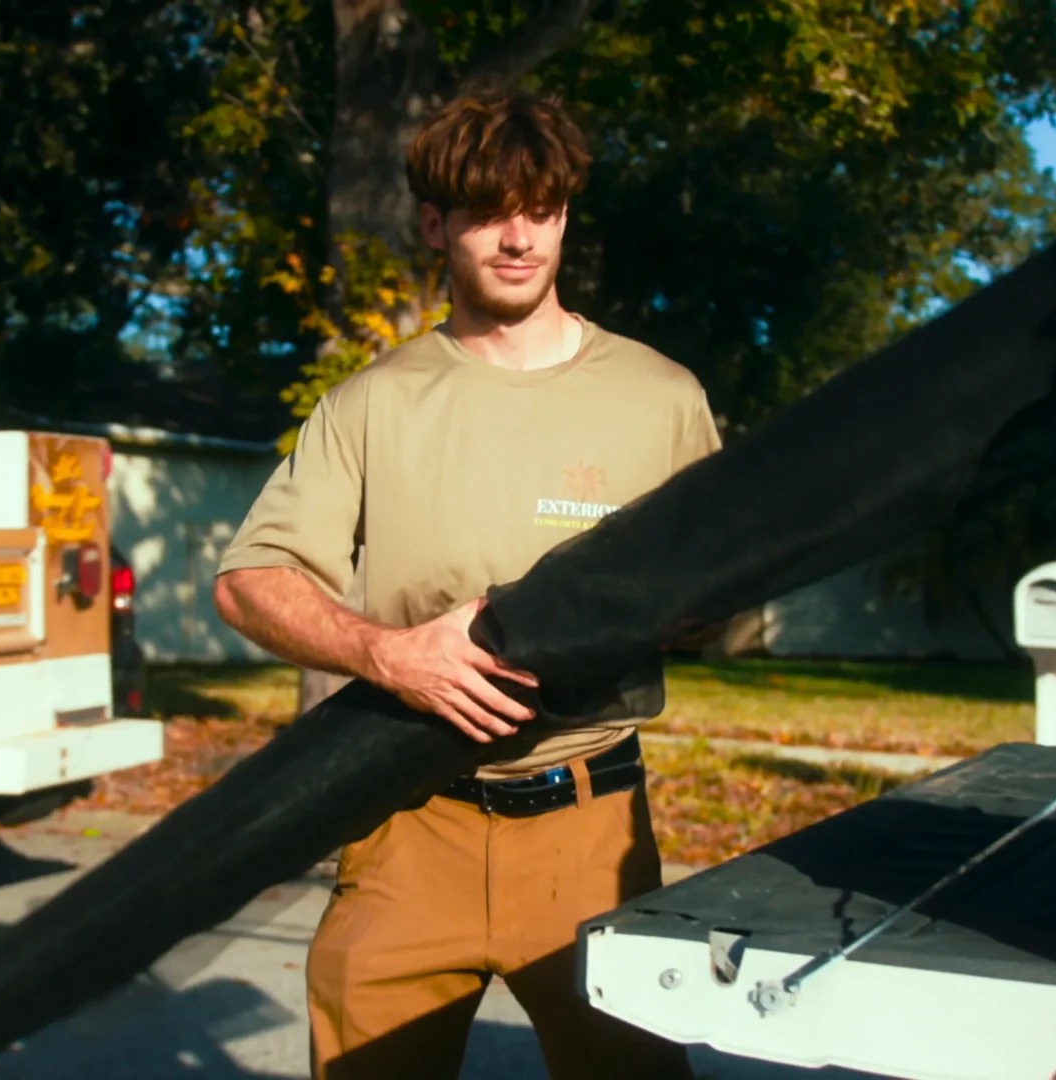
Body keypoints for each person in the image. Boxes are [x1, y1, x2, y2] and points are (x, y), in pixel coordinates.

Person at [212, 88, 720, 1080]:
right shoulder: (371, 404)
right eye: (489, 212)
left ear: (567, 215)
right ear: (436, 225)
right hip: (406, 821)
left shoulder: (661, 399)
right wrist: (385, 652)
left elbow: (729, 595)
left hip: (594, 834)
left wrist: (690, 610)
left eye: (542, 209)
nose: (519, 238)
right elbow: (249, 582)